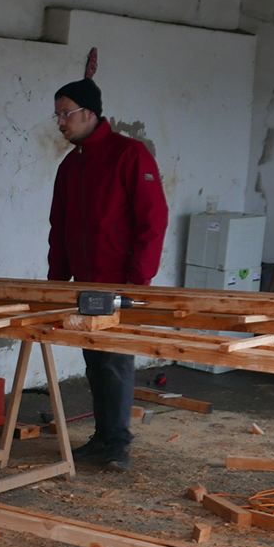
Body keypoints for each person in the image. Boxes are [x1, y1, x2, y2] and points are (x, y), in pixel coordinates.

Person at [47, 78, 169, 471]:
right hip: (85, 282)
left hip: (118, 281)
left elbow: (153, 220)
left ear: (90, 113)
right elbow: (59, 227)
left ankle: (118, 442)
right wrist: (55, 283)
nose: (60, 122)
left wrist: (137, 281)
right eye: (57, 115)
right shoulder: (70, 166)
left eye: (66, 114)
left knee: (114, 361)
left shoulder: (129, 154)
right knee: (94, 359)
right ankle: (102, 437)